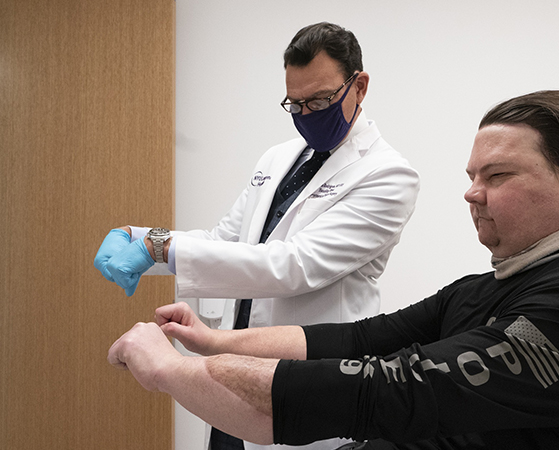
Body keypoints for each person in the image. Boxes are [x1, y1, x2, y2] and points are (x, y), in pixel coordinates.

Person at [108, 90, 559, 450]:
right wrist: (211, 341)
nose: (470, 194)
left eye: (497, 177)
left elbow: (380, 389)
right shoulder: (485, 288)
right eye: (473, 175)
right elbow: (357, 339)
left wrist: (165, 369)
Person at [94, 22, 420, 450]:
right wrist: (139, 235)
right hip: (231, 372)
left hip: (307, 386)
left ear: (359, 85)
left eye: (320, 100)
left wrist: (163, 247)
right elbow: (225, 239)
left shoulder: (388, 175)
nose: (306, 115)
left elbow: (293, 266)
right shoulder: (279, 156)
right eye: (295, 103)